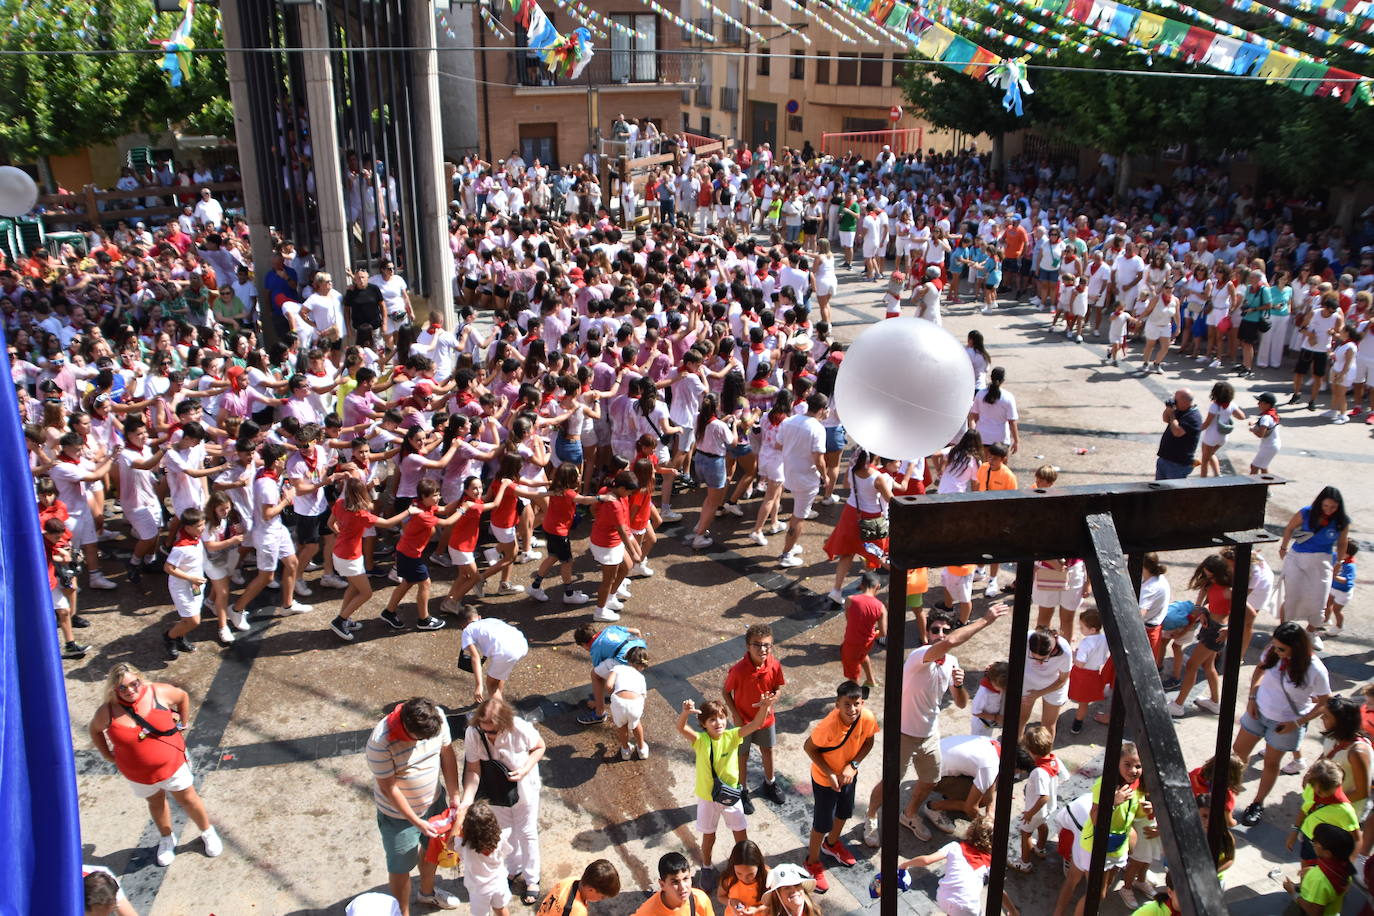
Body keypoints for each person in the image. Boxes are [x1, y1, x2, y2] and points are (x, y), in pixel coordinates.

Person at [862, 604, 1010, 846]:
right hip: (903, 733)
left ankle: (908, 815)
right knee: (890, 781)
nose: (940, 635)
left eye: (945, 630)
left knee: (930, 781)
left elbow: (962, 704)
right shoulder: (919, 656)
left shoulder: (951, 661)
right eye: (935, 630)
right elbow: (950, 642)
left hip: (930, 734)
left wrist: (959, 686)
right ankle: (870, 818)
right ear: (928, 634)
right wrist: (985, 620)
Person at [87, 663, 222, 867]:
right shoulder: (107, 711)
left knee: (189, 799)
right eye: (123, 688)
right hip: (137, 774)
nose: (130, 691)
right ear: (114, 689)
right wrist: (107, 755)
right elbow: (95, 730)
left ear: (141, 679)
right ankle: (167, 838)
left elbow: (183, 697)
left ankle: (207, 831)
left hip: (173, 765)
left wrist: (182, 724)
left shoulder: (159, 693)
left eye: (134, 684)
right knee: (156, 804)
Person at [365, 697, 461, 914]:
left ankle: (427, 894)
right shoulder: (381, 742)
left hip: (435, 803)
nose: (427, 741)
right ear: (408, 730)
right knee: (400, 868)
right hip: (398, 817)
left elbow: (446, 754)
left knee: (432, 851)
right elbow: (390, 788)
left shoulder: (436, 717)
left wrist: (454, 794)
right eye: (423, 739)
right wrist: (416, 821)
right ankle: (403, 912)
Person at [1236, 623, 1333, 826]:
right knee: (1237, 754)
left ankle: (1257, 803)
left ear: (1296, 647)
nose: (1276, 651)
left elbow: (1325, 701)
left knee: (1271, 763)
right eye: (1275, 646)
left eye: (1282, 649)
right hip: (1258, 711)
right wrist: (1252, 697)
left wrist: (1297, 723)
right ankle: (1227, 790)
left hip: (1285, 723)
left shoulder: (1315, 669)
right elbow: (1259, 670)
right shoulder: (1273, 652)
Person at [456, 696, 547, 906]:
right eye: (484, 730)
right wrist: (466, 801)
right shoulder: (473, 733)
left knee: (526, 832)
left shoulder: (520, 728)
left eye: (493, 731)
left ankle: (532, 879)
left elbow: (540, 747)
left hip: (524, 789)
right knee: (504, 833)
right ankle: (513, 869)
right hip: (496, 790)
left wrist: (525, 769)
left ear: (505, 723)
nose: (489, 735)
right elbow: (473, 770)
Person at [676, 692, 776, 868]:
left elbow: (756, 724)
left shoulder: (733, 736)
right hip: (708, 797)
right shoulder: (700, 740)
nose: (718, 723)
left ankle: (744, 863)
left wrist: (765, 706)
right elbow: (681, 728)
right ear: (703, 724)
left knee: (741, 834)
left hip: (731, 795)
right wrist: (685, 713)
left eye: (721, 717)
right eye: (712, 719)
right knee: (709, 836)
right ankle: (706, 866)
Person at [801, 680, 878, 891]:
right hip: (825, 779)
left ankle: (832, 845)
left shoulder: (868, 718)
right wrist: (830, 773)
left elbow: (869, 741)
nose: (852, 709)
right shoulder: (827, 727)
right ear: (837, 704)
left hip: (848, 775)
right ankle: (811, 862)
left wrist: (852, 766)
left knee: (844, 813)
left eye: (857, 704)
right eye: (847, 704)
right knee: (821, 824)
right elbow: (809, 748)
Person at [1052, 742, 1145, 916]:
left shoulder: (1137, 785)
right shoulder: (1105, 785)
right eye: (1128, 764)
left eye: (1138, 766)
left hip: (1113, 845)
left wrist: (1147, 809)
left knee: (1081, 882)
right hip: (1095, 845)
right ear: (1116, 764)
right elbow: (1095, 818)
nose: (1133, 770)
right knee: (1096, 894)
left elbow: (1130, 814)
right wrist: (1114, 801)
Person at [723, 623, 786, 815]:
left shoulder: (774, 665)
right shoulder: (739, 670)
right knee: (743, 756)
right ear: (747, 646)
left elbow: (778, 687)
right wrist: (736, 715)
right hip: (744, 722)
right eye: (757, 645)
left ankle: (770, 783)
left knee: (768, 750)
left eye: (767, 645)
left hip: (766, 720)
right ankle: (742, 790)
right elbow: (726, 692)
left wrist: (775, 697)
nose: (762, 649)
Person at [900, 814, 1019, 916]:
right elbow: (999, 891)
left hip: (943, 897)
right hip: (967, 907)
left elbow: (926, 860)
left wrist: (906, 864)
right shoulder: (988, 861)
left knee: (954, 910)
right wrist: (1013, 911)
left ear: (970, 831)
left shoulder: (955, 846)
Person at [1280, 487, 1351, 648]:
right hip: (1297, 557)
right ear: (1320, 503)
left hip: (1322, 560)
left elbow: (1342, 542)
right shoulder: (1306, 512)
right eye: (1326, 506)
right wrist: (1283, 548)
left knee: (1320, 599)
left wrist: (1339, 563)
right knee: (1292, 595)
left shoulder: (1342, 521)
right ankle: (1283, 630)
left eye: (1333, 507)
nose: (1329, 510)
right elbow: (1290, 528)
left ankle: (1311, 632)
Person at [776, 394, 828, 569]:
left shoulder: (788, 421)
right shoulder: (818, 429)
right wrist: (825, 476)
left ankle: (791, 544)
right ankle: (786, 553)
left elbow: (779, 443)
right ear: (822, 409)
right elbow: (819, 459)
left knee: (797, 514)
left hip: (788, 472)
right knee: (798, 517)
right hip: (806, 478)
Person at [574, 622, 647, 726]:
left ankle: (599, 712)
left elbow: (600, 675)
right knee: (613, 663)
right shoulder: (611, 628)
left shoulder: (595, 647)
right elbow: (636, 631)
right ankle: (633, 700)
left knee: (595, 675)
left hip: (627, 661)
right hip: (641, 654)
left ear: (584, 644)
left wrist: (597, 701)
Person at [457, 606, 530, 704]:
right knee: (498, 676)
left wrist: (479, 685)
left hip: (505, 652)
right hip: (521, 643)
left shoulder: (467, 631)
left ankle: (500, 713)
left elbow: (475, 657)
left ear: (462, 626)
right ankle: (497, 697)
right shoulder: (491, 620)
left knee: (491, 684)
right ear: (479, 617)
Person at [1013, 725, 1061, 872]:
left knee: (1025, 833)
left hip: (1036, 810)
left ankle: (1025, 862)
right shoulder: (1054, 760)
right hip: (1048, 809)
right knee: (1042, 825)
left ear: (1030, 750)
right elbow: (1062, 777)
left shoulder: (1038, 772)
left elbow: (1043, 797)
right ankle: (1040, 848)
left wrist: (1029, 813)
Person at [1283, 822, 1356, 916]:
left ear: (1327, 853)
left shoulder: (1320, 880)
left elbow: (1314, 913)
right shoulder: (1344, 867)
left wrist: (1293, 892)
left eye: (1315, 842)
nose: (1312, 841)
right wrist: (1314, 870)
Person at [459, 802, 514, 916]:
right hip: (499, 883)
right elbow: (506, 851)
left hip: (479, 890)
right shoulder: (501, 837)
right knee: (501, 909)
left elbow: (449, 842)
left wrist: (458, 819)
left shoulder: (464, 846)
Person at [839, 572, 886, 686]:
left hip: (852, 642)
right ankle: (871, 680)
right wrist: (872, 635)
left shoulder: (850, 600)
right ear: (878, 587)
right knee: (863, 656)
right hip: (867, 643)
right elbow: (884, 632)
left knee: (852, 675)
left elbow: (848, 619)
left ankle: (856, 696)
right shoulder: (881, 607)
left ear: (861, 585)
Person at [632, 852, 715, 916]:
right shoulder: (647, 912)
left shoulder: (700, 899)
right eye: (675, 882)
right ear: (662, 885)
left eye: (685, 879)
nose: (682, 887)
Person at [606, 644, 651, 760]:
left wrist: (613, 692)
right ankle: (642, 749)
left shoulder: (618, 668)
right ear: (643, 665)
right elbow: (643, 696)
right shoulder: (641, 678)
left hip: (618, 701)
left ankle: (625, 751)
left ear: (627, 659)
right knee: (636, 724)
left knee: (622, 726)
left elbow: (608, 685)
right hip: (635, 704)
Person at [534, 859, 622, 916]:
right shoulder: (578, 911)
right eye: (602, 897)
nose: (601, 899)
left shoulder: (571, 880)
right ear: (591, 890)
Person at [1155, 388, 1201, 480]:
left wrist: (1172, 414)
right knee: (1159, 491)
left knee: (1173, 492)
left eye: (1176, 400)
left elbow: (1177, 432)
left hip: (1177, 464)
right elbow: (1166, 419)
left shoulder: (1193, 417)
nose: (1174, 402)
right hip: (1165, 459)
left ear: (1185, 401)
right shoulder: (1180, 409)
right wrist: (1168, 409)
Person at [718, 840, 769, 914]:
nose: (744, 879)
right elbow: (720, 896)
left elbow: (775, 902)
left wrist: (757, 909)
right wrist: (731, 902)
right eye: (738, 873)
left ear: (758, 865)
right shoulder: (728, 878)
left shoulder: (767, 877)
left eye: (750, 874)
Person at [1325, 543, 1358, 635]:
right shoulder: (1336, 556)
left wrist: (1334, 576)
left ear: (1348, 554)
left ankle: (1339, 626)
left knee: (1337, 610)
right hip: (1333, 587)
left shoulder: (1350, 566)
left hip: (1343, 592)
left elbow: (1346, 580)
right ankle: (1326, 620)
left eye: (1340, 550)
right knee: (1327, 604)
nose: (1337, 550)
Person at [1249, 391, 1283, 474]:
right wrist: (1255, 423)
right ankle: (1266, 484)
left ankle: (1251, 486)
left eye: (1260, 402)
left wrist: (1252, 429)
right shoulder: (1272, 413)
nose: (1258, 403)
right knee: (1263, 467)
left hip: (1269, 446)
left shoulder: (1266, 417)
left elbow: (1261, 434)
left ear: (1267, 404)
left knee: (1254, 467)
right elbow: (1268, 424)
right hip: (1272, 445)